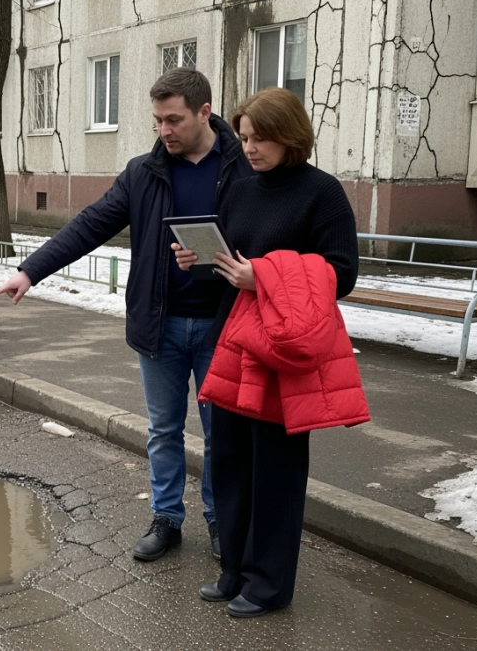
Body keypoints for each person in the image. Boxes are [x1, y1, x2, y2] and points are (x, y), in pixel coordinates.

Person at [0, 68, 254, 562]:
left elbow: (269, 240)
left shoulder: (244, 168)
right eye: (157, 121)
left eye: (173, 120)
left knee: (222, 433)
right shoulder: (144, 172)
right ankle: (166, 519)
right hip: (161, 326)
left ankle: (222, 521)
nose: (164, 131)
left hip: (226, 327)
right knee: (162, 430)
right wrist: (30, 271)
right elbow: (91, 224)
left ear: (204, 112)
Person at [174, 87, 365, 617]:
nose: (250, 147)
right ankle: (233, 569)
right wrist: (206, 262)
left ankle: (269, 584)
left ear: (290, 136)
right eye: (245, 136)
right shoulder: (240, 189)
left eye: (261, 137)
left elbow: (341, 273)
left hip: (284, 352)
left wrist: (265, 276)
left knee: (276, 472)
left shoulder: (321, 193)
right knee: (230, 462)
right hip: (233, 342)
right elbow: (234, 268)